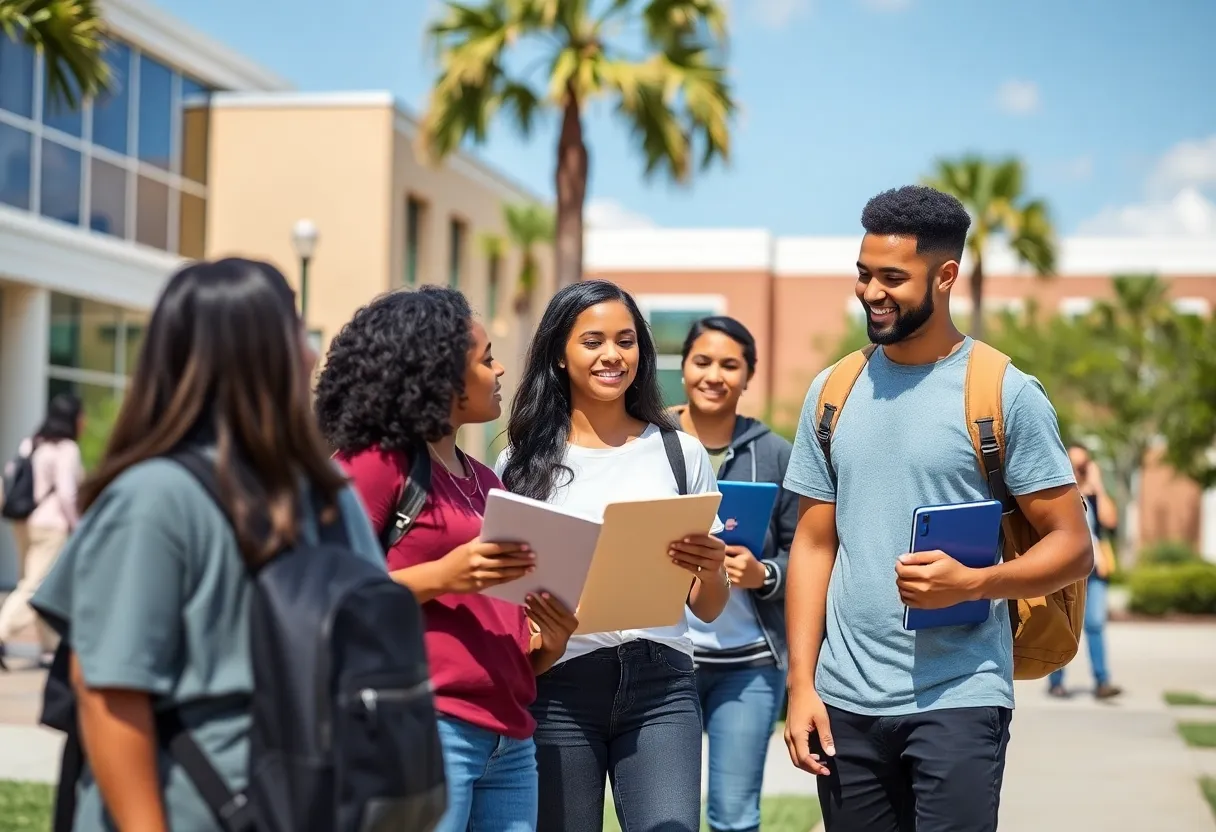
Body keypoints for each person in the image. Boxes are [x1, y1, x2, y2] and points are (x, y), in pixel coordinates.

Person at [28, 257, 388, 831]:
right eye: (295, 331)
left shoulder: (329, 496)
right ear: (255, 354)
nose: (311, 354)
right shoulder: (153, 500)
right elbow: (109, 695)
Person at [781, 185, 1094, 832]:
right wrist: (802, 685)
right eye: (864, 274)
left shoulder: (1003, 392)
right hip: (844, 702)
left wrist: (977, 583)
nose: (871, 292)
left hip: (961, 694)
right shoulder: (832, 391)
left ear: (946, 276)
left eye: (893, 278)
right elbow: (813, 544)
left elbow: (1073, 546)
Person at [315, 285, 577, 832]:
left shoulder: (485, 481)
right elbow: (321, 592)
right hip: (425, 726)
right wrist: (443, 576)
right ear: (439, 376)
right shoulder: (376, 464)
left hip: (510, 738)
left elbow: (495, 623)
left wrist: (547, 643)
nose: (500, 370)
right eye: (485, 360)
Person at [496, 279, 730, 832]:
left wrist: (712, 567)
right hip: (558, 686)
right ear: (559, 354)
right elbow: (507, 600)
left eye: (626, 341)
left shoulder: (679, 452)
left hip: (662, 684)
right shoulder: (519, 464)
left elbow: (708, 607)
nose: (612, 355)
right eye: (593, 341)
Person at [670, 316, 797, 832]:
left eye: (729, 365)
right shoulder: (647, 441)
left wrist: (764, 573)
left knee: (735, 818)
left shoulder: (776, 454)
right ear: (683, 368)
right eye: (702, 361)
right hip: (664, 659)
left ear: (748, 376)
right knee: (665, 818)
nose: (714, 375)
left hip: (750, 666)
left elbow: (806, 551)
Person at [0, 393, 84, 670]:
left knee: (32, 581)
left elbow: (10, 474)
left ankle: (49, 648)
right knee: (36, 587)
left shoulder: (32, 443)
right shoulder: (67, 449)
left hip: (23, 521)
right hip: (51, 526)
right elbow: (67, 494)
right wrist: (78, 525)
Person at [1048, 443, 1122, 700]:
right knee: (1061, 623)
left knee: (1095, 624)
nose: (1078, 470)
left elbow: (1111, 521)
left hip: (1095, 570)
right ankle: (1056, 681)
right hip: (1065, 569)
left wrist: (1097, 486)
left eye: (1083, 465)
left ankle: (1102, 681)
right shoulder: (1059, 493)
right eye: (1074, 464)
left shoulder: (1094, 495)